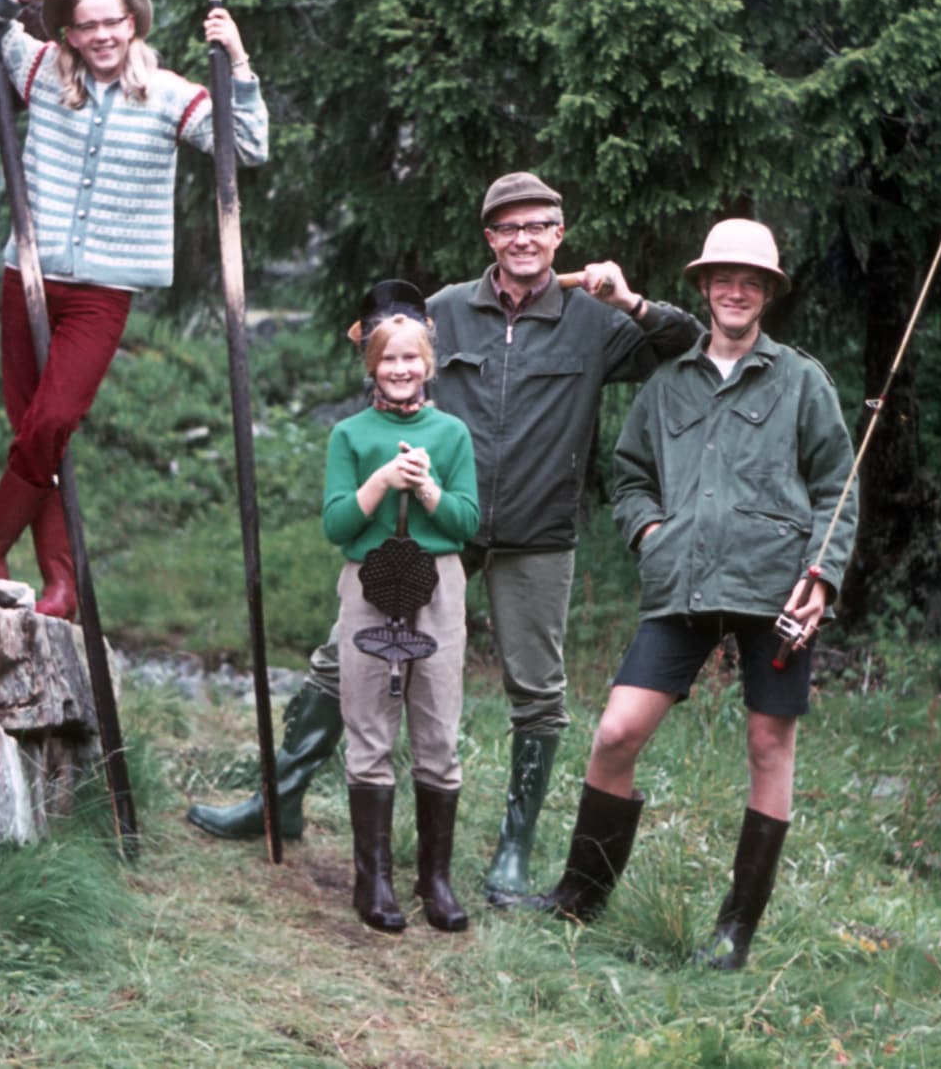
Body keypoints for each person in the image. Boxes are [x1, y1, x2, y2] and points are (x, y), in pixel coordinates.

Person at [188, 172, 701, 909]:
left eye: (539, 226)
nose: (524, 239)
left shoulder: (594, 319)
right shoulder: (446, 311)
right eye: (509, 227)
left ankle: (512, 856)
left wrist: (629, 301)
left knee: (537, 691)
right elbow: (376, 345)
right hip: (432, 526)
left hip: (537, 529)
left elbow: (684, 346)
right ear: (490, 237)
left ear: (560, 235)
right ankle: (279, 799)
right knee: (343, 655)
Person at [524, 217, 858, 972]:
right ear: (704, 287)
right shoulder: (669, 379)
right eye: (723, 278)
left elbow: (839, 485)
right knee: (615, 733)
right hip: (681, 583)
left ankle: (734, 933)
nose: (736, 290)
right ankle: (581, 895)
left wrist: (822, 575)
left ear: (767, 292)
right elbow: (631, 472)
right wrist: (649, 535)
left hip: (778, 590)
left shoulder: (803, 381)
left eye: (752, 280)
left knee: (769, 745)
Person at [0, 0, 267, 616]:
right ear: (69, 33)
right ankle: (61, 584)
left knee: (53, 418)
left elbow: (246, 148)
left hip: (102, 292)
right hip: (30, 277)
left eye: (113, 22)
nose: (101, 35)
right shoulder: (39, 70)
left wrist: (238, 62)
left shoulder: (167, 95)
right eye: (86, 25)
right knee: (33, 430)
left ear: (134, 24)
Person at [323, 282, 480, 933]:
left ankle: (435, 879)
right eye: (388, 359)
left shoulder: (451, 433)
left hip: (436, 580)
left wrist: (430, 489)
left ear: (429, 363)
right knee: (369, 723)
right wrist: (381, 482)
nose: (399, 369)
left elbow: (468, 521)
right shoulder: (350, 434)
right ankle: (374, 879)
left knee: (438, 727)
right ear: (372, 365)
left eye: (411, 358)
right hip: (370, 582)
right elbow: (336, 524)